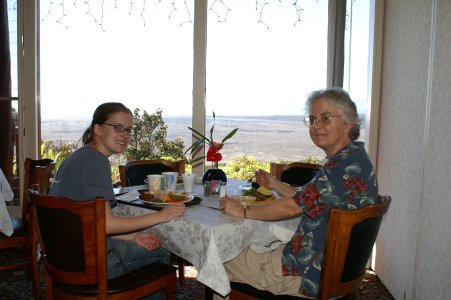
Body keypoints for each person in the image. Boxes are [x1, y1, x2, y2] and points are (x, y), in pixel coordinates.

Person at [219, 87, 378, 298]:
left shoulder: (339, 169)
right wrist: (275, 184)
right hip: (328, 266)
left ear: (348, 124)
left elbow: (289, 207)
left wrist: (244, 211)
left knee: (218, 256)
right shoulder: (354, 159)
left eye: (326, 118)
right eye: (312, 119)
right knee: (254, 243)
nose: (316, 126)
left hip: (305, 274)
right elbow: (307, 196)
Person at [49, 102, 185, 298]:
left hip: (64, 257)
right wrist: (162, 216)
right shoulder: (95, 161)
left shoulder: (76, 158)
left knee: (143, 242)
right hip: (92, 262)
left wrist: (132, 236)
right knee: (161, 252)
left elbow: (90, 222)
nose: (125, 134)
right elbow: (107, 225)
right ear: (97, 128)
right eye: (118, 127)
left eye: (128, 129)